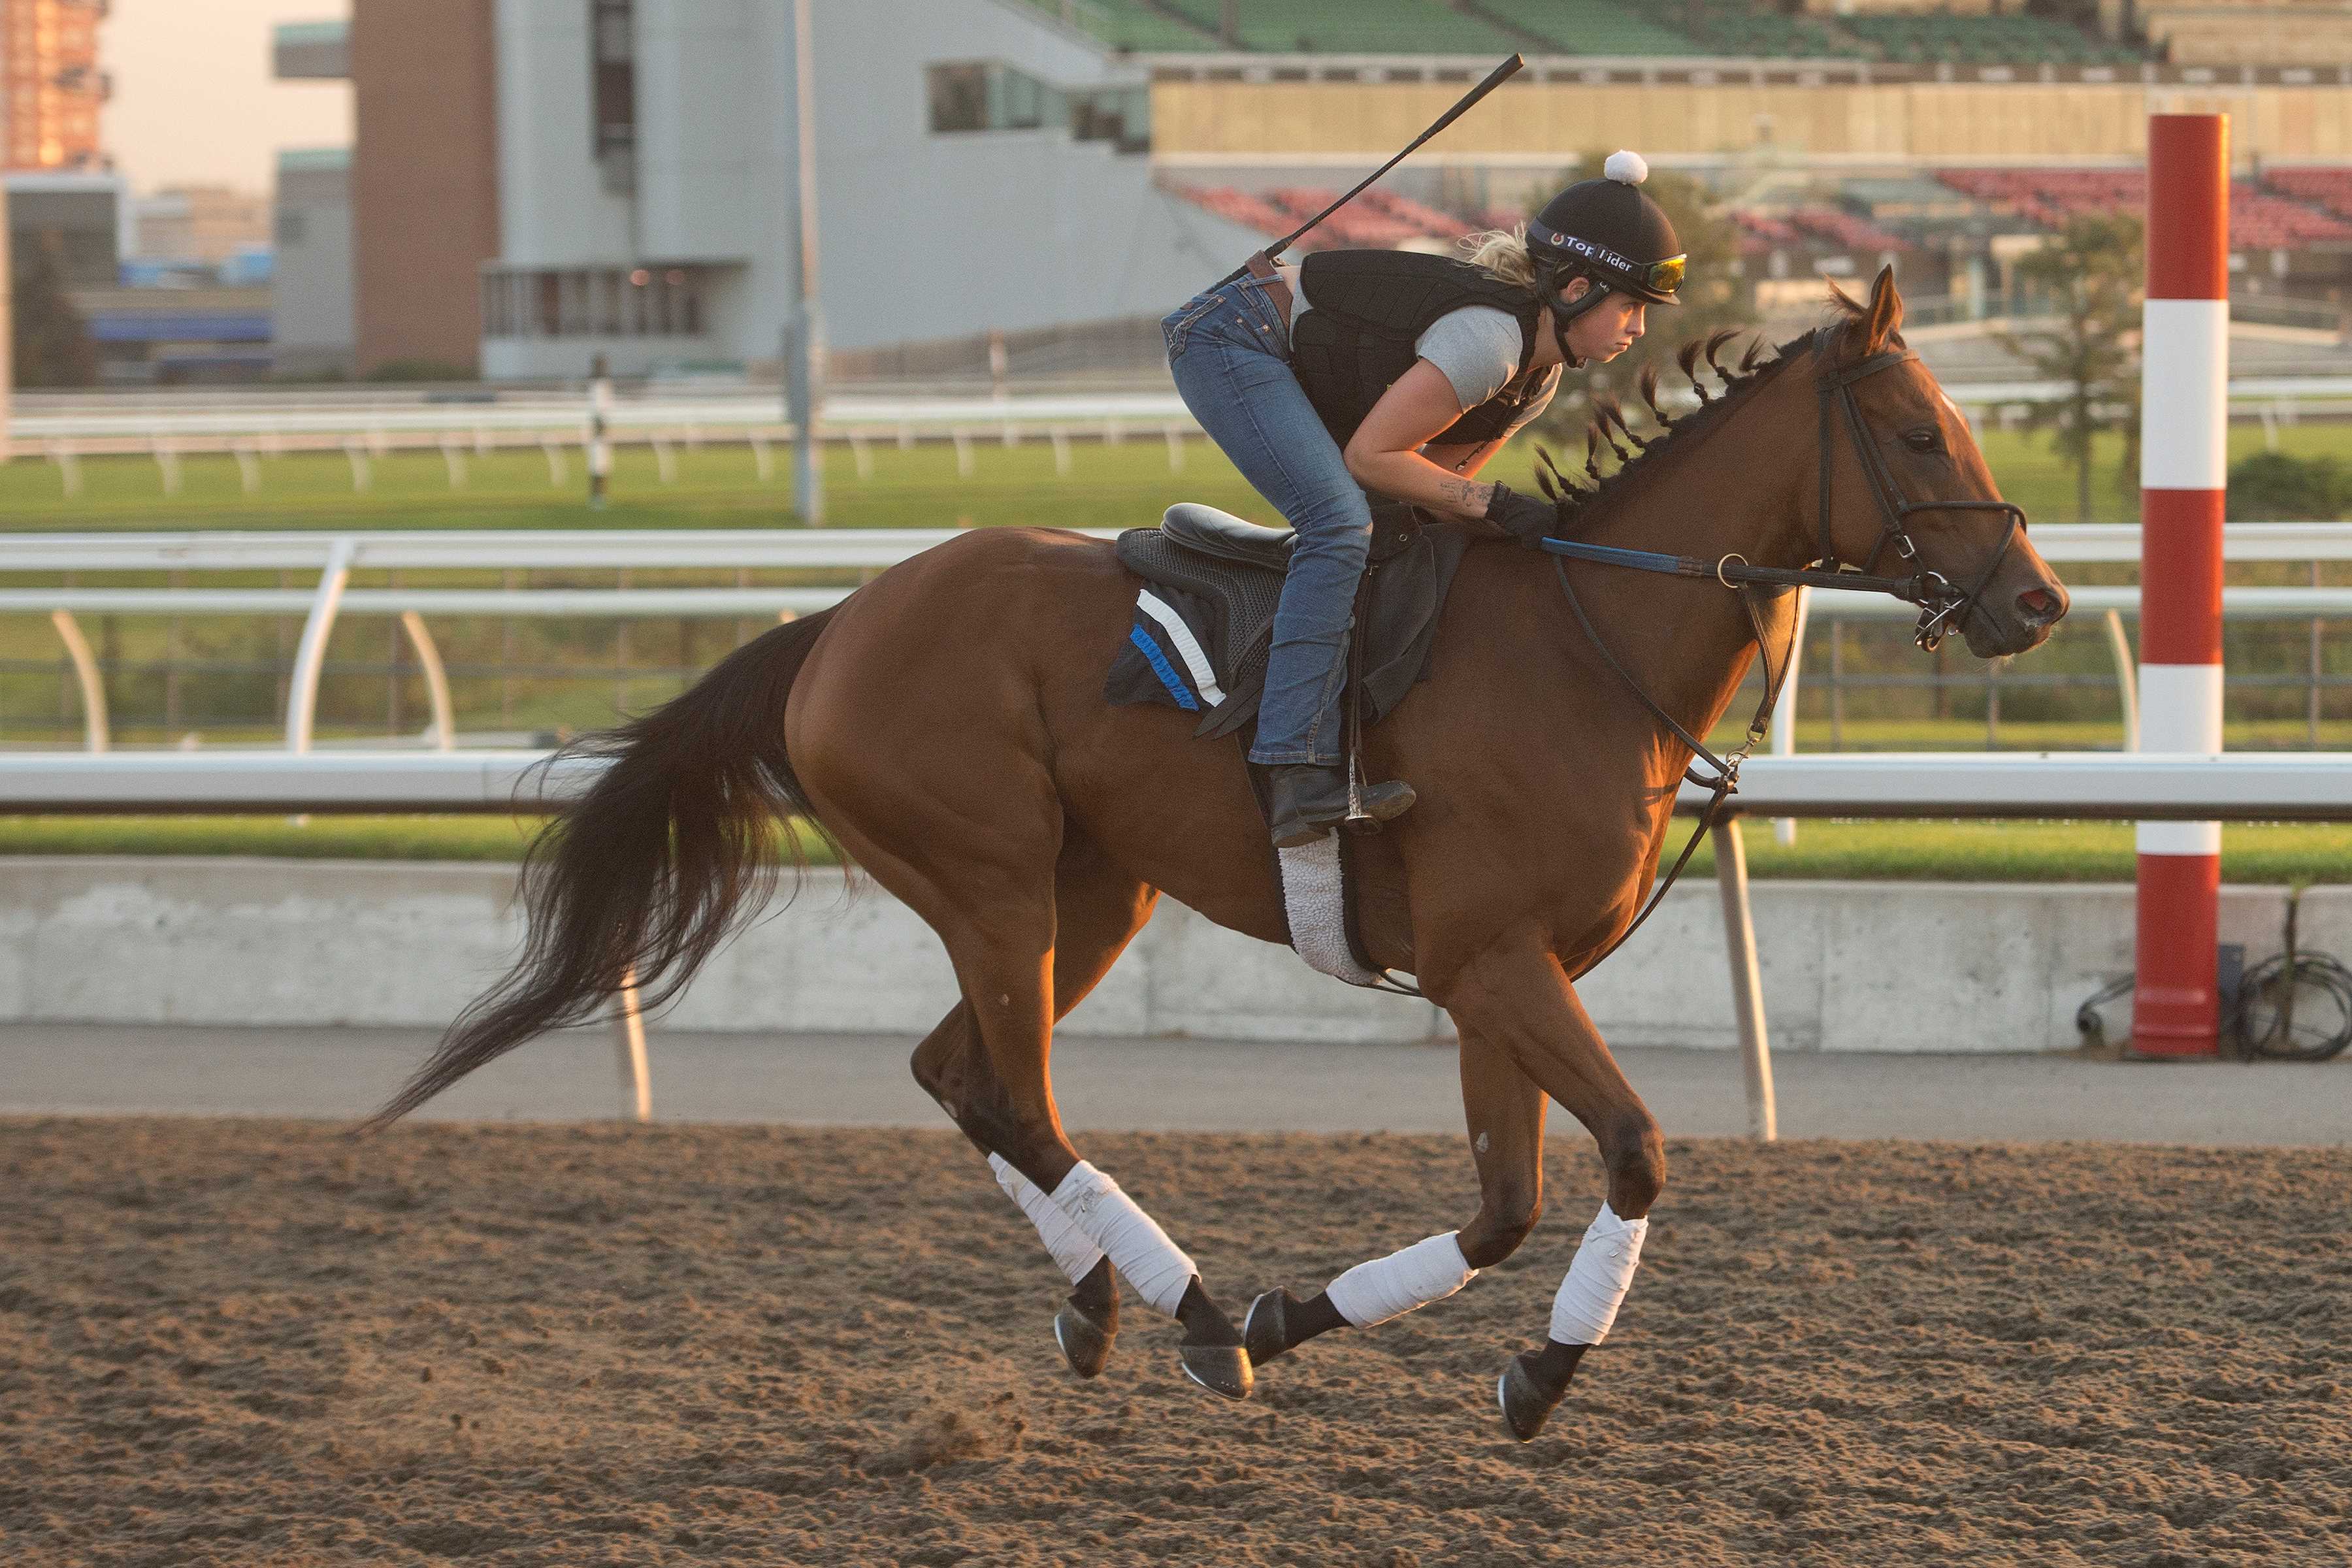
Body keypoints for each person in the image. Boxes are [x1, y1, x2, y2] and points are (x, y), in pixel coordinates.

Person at [1162, 150, 1686, 849]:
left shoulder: (1537, 381)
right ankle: (1292, 767)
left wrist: (1517, 520)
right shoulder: (1489, 345)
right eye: (1630, 308)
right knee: (1338, 527)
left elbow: (1428, 492)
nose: (1639, 330)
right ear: (1578, 289)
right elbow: (1372, 459)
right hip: (1231, 337)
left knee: (1389, 532)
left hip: (1282, 350)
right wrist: (1493, 502)